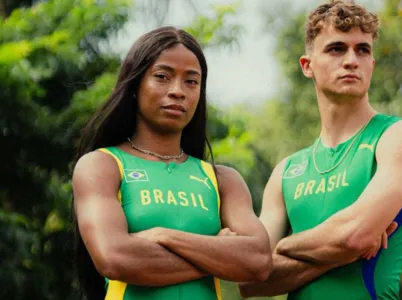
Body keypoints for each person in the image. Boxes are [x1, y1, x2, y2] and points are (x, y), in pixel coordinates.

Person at [238, 1, 402, 299]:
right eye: (337, 48)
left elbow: (354, 237)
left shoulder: (400, 136)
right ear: (307, 65)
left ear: (372, 65)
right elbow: (250, 280)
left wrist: (282, 247)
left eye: (363, 50)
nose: (352, 60)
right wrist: (339, 250)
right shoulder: (287, 171)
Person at [71, 26, 272, 300]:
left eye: (191, 81)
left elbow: (259, 261)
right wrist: (218, 252)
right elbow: (114, 257)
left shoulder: (223, 180)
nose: (178, 91)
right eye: (162, 77)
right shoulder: (102, 166)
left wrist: (164, 236)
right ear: (135, 84)